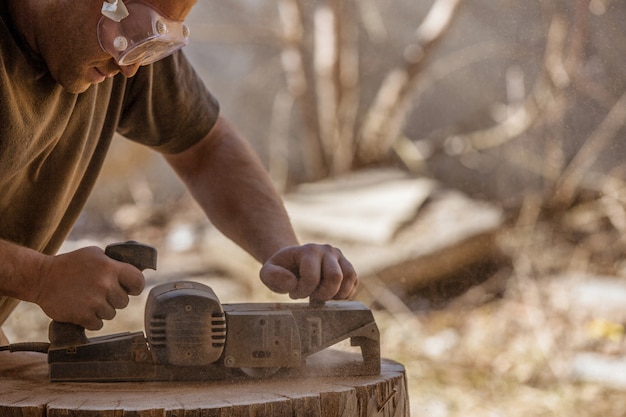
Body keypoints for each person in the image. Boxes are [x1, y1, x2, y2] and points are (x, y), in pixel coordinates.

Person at [0, 0, 358, 337]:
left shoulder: (121, 42)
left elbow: (206, 149)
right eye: (132, 35)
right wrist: (39, 277)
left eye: (151, 43)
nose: (130, 67)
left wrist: (279, 248)